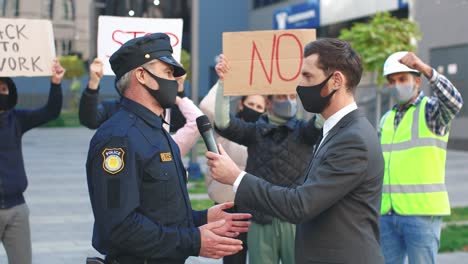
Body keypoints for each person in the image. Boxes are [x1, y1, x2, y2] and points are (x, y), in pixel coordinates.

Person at [206, 38, 385, 264]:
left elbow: (300, 205)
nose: (299, 85)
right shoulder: (338, 130)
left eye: (308, 76)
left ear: (336, 81)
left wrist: (235, 177)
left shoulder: (352, 139)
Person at [85, 33, 251, 264]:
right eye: (168, 73)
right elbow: (120, 226)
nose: (174, 81)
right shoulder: (118, 138)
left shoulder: (156, 131)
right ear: (141, 75)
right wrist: (194, 241)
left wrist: (201, 218)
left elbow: (159, 213)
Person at [211, 54, 323, 264]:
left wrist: (317, 80)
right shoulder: (255, 131)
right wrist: (223, 82)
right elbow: (223, 122)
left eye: (292, 96)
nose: (289, 101)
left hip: (294, 220)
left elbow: (321, 119)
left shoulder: (305, 131)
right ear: (269, 103)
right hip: (261, 219)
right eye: (282, 97)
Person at [378, 51, 463, 264]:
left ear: (417, 81)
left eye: (403, 79)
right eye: (393, 81)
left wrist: (426, 69)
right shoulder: (385, 120)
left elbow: (454, 101)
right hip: (387, 213)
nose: (397, 85)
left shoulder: (431, 111)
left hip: (421, 214)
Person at [0, 59, 64, 264]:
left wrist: (55, 83)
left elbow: (50, 112)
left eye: (4, 89)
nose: (1, 92)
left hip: (17, 208)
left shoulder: (16, 119)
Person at [79, 58, 203, 157]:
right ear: (140, 76)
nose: (169, 80)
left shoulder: (163, 109)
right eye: (167, 73)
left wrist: (178, 89)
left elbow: (183, 121)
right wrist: (93, 84)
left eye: (170, 74)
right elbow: (89, 119)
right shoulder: (113, 109)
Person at [200, 84, 267, 264]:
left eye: (260, 107)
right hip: (228, 205)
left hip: (256, 207)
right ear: (240, 104)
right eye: (251, 104)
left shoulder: (264, 134)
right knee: (233, 258)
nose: (254, 109)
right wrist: (223, 82)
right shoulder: (225, 127)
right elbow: (207, 106)